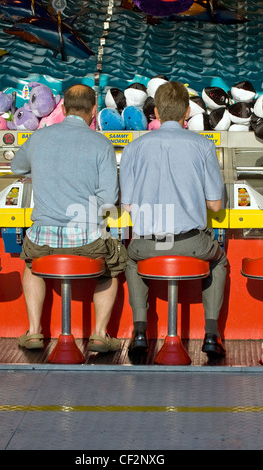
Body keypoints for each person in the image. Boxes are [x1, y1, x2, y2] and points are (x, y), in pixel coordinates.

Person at [11, 84, 127, 352]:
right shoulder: (101, 143)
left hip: (42, 238)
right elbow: (109, 199)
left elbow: (17, 166)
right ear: (94, 110)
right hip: (87, 239)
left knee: (31, 264)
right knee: (111, 267)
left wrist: (42, 172)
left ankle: (35, 332)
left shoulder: (39, 137)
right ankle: (99, 335)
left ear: (63, 109)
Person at [120, 81, 227, 358]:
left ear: (155, 111)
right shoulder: (202, 145)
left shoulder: (134, 147)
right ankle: (212, 335)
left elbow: (129, 207)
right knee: (219, 260)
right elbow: (216, 205)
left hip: (147, 244)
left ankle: (140, 332)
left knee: (132, 259)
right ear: (188, 111)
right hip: (191, 244)